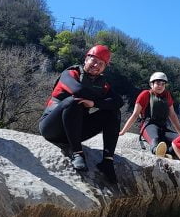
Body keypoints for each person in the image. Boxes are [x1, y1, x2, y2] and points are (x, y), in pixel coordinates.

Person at [39, 44, 124, 182]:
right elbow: (78, 90)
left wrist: (95, 104)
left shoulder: (102, 84)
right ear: (86, 59)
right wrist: (100, 99)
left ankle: (107, 161)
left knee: (113, 112)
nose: (96, 65)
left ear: (104, 68)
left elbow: (118, 101)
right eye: (94, 60)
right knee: (74, 101)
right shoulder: (70, 74)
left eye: (101, 64)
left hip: (75, 131)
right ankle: (77, 153)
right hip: (52, 127)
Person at [119, 71, 180, 158]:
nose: (160, 86)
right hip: (148, 125)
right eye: (157, 83)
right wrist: (123, 131)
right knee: (155, 139)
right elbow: (135, 115)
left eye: (163, 84)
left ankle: (168, 152)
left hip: (163, 127)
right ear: (151, 84)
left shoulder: (167, 95)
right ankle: (156, 150)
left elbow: (172, 115)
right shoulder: (145, 94)